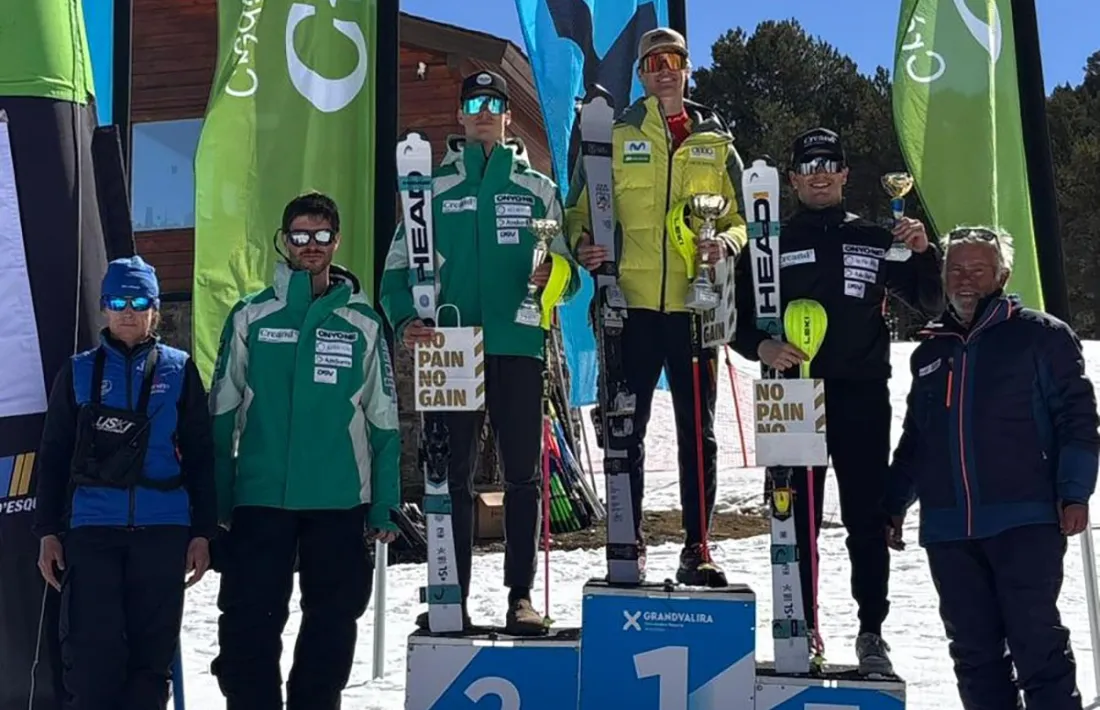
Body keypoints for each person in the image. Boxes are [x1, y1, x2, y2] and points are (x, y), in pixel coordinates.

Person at [730, 127, 945, 675]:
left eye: (831, 164)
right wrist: (763, 345)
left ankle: (871, 631)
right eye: (809, 165)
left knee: (865, 520)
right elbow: (736, 322)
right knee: (793, 517)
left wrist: (924, 252)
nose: (820, 173)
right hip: (793, 394)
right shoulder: (768, 242)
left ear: (845, 174)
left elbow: (927, 302)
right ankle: (801, 627)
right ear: (794, 177)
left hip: (860, 394)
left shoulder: (877, 237)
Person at [380, 70, 579, 635]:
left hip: (518, 342)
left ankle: (521, 597)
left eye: (495, 102)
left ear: (508, 116)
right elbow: (397, 270)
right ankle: (451, 591)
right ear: (461, 117)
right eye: (475, 103)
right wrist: (405, 317)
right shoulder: (431, 188)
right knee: (451, 475)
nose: (485, 111)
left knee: (523, 475)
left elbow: (569, 278)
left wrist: (553, 276)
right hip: (450, 344)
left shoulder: (538, 189)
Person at [886, 226, 1099, 710]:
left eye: (978, 270)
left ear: (1001, 275)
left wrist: (1074, 491)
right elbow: (918, 440)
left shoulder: (1041, 336)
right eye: (956, 270)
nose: (965, 280)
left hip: (1024, 519)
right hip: (948, 529)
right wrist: (893, 503)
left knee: (1036, 643)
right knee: (974, 653)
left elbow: (1078, 419)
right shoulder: (930, 353)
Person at [565, 27, 747, 587]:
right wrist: (583, 247)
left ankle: (698, 547)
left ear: (688, 68)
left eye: (673, 60)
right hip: (632, 307)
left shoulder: (716, 144)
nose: (664, 70)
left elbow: (741, 219)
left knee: (699, 432)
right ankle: (627, 540)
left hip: (696, 311)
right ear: (641, 75)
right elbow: (576, 212)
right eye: (652, 62)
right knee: (626, 427)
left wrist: (727, 244)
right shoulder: (613, 134)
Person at [208, 192, 401, 710]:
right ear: (285, 241)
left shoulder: (362, 322)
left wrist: (384, 501)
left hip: (337, 498)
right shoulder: (251, 315)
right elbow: (221, 412)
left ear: (336, 241)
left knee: (333, 621)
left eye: (320, 236)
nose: (310, 245)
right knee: (249, 619)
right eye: (299, 236)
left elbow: (383, 420)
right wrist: (218, 502)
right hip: (261, 497)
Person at [32, 256, 217, 710]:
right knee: (92, 659)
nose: (127, 311)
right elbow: (53, 454)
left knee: (150, 663)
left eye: (138, 301)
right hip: (92, 531)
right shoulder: (77, 371)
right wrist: (47, 533)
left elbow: (199, 453)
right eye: (117, 301)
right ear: (104, 308)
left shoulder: (178, 370)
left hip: (162, 531)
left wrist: (203, 532)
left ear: (155, 308)